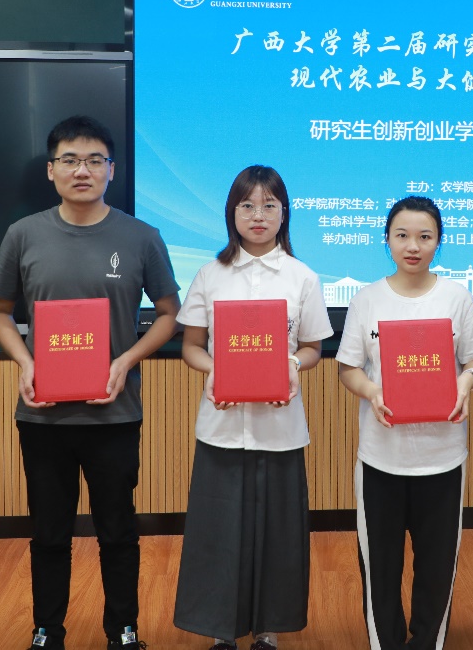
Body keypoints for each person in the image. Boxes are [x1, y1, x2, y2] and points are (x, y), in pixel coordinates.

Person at [0, 115, 180, 650]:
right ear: (51, 170)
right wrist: (25, 361)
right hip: (43, 415)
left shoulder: (142, 237)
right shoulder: (23, 234)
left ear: (111, 170)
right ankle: (47, 630)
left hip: (114, 413)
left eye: (95, 160)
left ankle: (123, 630)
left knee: (117, 529)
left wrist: (126, 360)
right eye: (70, 160)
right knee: (49, 531)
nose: (82, 170)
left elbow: (169, 313)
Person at [173, 165, 333, 650]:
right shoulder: (210, 274)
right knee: (219, 532)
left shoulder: (303, 277)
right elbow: (191, 346)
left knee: (277, 532)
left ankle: (267, 629)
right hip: (221, 425)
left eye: (269, 205)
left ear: (284, 214)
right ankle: (221, 631)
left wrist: (292, 365)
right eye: (247, 205)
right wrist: (215, 370)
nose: (258, 215)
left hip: (280, 425)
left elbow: (313, 348)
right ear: (232, 213)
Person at [336, 196, 473, 650]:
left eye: (425, 236)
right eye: (402, 235)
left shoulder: (456, 297)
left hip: (442, 457)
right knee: (380, 569)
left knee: (437, 568)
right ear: (386, 240)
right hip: (380, 458)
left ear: (439, 242)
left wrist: (467, 381)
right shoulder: (367, 299)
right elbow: (348, 368)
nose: (413, 246)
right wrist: (371, 391)